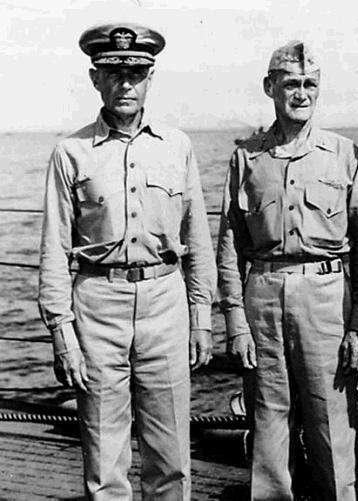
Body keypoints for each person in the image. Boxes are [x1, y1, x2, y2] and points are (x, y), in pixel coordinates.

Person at [38, 22, 216, 500]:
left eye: (136, 74)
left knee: (171, 456)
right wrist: (62, 334)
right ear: (95, 79)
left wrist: (201, 317)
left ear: (149, 78)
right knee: (103, 459)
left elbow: (197, 239)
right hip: (97, 306)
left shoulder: (177, 147)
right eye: (114, 74)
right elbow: (54, 248)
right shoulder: (70, 153)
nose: (126, 85)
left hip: (165, 303)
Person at [216, 40, 358, 500]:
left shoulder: (344, 154)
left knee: (333, 427)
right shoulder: (246, 158)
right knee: (268, 426)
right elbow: (229, 249)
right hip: (263, 297)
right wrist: (235, 323)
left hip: (327, 300)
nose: (301, 93)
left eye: (310, 84)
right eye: (291, 84)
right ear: (270, 87)